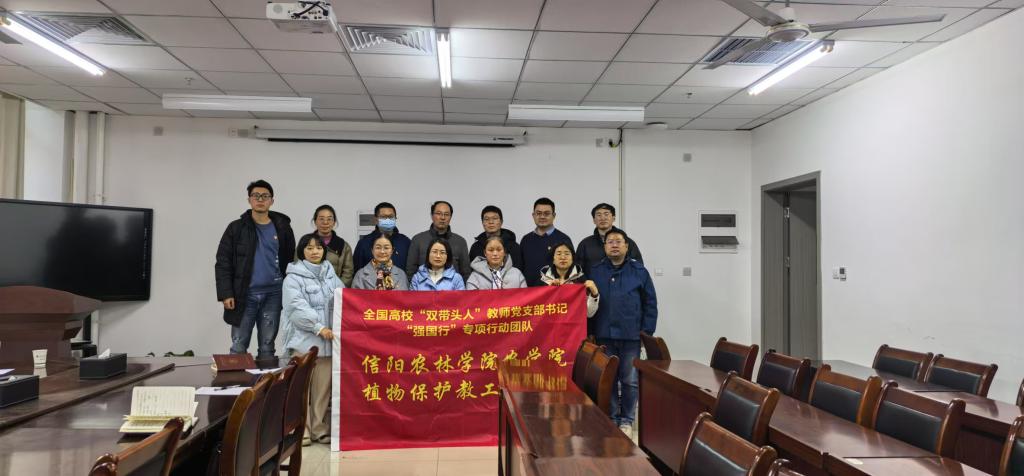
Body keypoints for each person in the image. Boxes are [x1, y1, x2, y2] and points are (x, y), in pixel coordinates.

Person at [215, 180, 295, 362]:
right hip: (244, 295)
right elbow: (223, 262)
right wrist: (226, 293)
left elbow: (290, 260)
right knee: (238, 346)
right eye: (256, 196)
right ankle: (237, 381)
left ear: (272, 201)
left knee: (267, 346)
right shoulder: (236, 228)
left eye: (265, 196)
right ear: (249, 199)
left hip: (274, 294)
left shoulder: (282, 227)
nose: (260, 199)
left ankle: (266, 381)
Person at [588, 229, 658, 436]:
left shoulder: (639, 271)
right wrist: (591, 332)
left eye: (618, 241)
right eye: (610, 242)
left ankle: (627, 419)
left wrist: (646, 332)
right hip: (604, 335)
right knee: (607, 378)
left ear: (627, 246)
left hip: (631, 335)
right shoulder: (595, 271)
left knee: (629, 380)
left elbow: (650, 303)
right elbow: (589, 303)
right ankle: (611, 417)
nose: (614, 245)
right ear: (604, 247)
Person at [281, 233, 342, 445]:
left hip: (328, 343)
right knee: (301, 390)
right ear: (301, 251)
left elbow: (344, 300)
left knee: (322, 390)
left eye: (318, 247)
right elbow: (295, 307)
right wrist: (318, 327)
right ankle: (302, 430)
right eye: (309, 248)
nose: (314, 251)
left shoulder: (331, 275)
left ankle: (318, 429)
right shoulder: (292, 278)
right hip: (303, 343)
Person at [406, 201, 470, 279]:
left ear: (450, 217)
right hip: (423, 286)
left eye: (446, 214)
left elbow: (466, 273)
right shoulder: (418, 240)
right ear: (432, 215)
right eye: (438, 213)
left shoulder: (460, 242)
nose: (442, 217)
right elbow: (410, 272)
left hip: (453, 286)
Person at [576, 203, 643, 276]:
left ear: (613, 218)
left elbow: (638, 268)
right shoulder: (585, 244)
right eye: (599, 215)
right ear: (594, 220)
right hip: (593, 283)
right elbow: (578, 271)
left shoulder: (627, 242)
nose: (603, 218)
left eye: (606, 214)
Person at [520, 197, 572, 287]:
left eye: (546, 213)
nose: (542, 216)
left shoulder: (563, 239)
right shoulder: (526, 239)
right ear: (533, 215)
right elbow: (521, 267)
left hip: (555, 291)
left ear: (554, 215)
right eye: (538, 213)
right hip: (529, 291)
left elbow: (571, 268)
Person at [539, 242, 599, 317]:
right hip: (550, 323)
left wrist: (594, 295)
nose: (563, 257)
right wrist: (549, 292)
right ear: (553, 259)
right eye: (558, 254)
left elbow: (589, 314)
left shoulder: (581, 280)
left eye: (567, 254)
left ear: (572, 259)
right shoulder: (542, 281)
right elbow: (537, 311)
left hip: (573, 323)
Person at [353, 202, 411, 272]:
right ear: (375, 220)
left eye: (391, 217)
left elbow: (411, 269)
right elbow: (357, 271)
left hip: (400, 278)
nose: (388, 220)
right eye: (383, 217)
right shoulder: (364, 243)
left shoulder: (405, 242)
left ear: (395, 218)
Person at [469, 205, 523, 272]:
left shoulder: (513, 246)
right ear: (482, 223)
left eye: (494, 218)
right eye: (486, 219)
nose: (491, 222)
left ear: (501, 222)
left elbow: (518, 272)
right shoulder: (475, 247)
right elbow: (471, 271)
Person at [311, 204, 355, 287]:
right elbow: (298, 269)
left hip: (335, 290)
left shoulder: (344, 246)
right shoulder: (305, 244)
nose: (325, 222)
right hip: (310, 290)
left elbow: (348, 273)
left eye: (329, 219)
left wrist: (335, 288)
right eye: (321, 219)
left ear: (334, 222)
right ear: (315, 221)